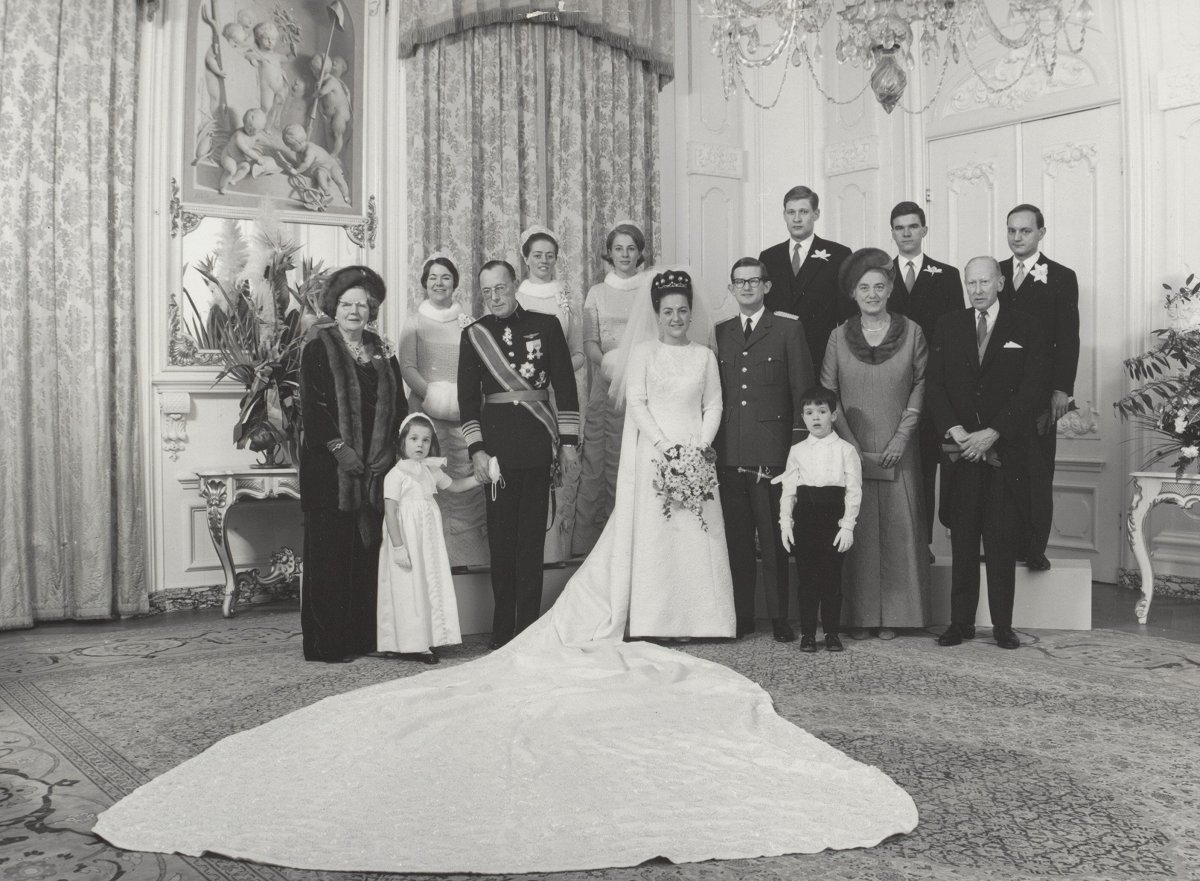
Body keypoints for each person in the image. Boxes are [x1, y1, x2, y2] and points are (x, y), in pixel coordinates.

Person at [927, 257, 1049, 650]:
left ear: (999, 281)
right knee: (962, 542)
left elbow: (1033, 389)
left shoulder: (1026, 326)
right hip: (961, 451)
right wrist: (958, 431)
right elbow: (935, 386)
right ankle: (959, 624)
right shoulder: (948, 324)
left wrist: (993, 433)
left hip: (1005, 452)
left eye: (984, 281)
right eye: (970, 282)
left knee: (1000, 542)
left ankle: (1002, 627)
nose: (977, 289)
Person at [458, 260, 580, 649]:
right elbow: (466, 399)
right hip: (495, 453)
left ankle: (527, 626)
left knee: (530, 542)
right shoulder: (474, 334)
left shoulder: (545, 326)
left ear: (514, 286)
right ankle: (501, 630)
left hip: (536, 446)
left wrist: (567, 443)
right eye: (487, 291)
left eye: (501, 288)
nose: (495, 297)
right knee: (501, 541)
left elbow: (565, 385)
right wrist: (476, 449)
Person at [821, 248, 931, 640]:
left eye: (879, 287)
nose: (872, 294)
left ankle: (898, 618)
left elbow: (922, 385)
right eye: (864, 288)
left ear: (889, 291)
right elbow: (828, 392)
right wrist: (850, 445)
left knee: (900, 532)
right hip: (853, 449)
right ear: (853, 293)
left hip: (898, 449)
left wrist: (902, 437)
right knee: (859, 531)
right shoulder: (838, 336)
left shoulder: (912, 331)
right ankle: (862, 616)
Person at [298, 265, 407, 663]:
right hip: (331, 473)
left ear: (371, 309)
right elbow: (313, 408)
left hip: (374, 475)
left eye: (362, 305)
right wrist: (340, 449)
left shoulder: (382, 351)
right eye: (347, 304)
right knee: (329, 560)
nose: (354, 312)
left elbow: (400, 408)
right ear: (334, 307)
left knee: (365, 561)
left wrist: (388, 452)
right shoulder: (317, 347)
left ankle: (364, 638)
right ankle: (328, 645)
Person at [623, 270, 737, 639]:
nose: (676, 318)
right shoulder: (643, 353)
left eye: (683, 311)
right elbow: (637, 403)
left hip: (695, 452)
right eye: (668, 311)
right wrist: (665, 447)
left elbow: (715, 405)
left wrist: (699, 449)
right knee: (659, 534)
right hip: (655, 451)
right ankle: (654, 620)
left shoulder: (704, 356)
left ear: (692, 313)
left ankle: (701, 620)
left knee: (695, 532)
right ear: (657, 314)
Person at [714, 257, 813, 641]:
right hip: (730, 455)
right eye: (739, 282)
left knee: (775, 542)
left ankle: (779, 619)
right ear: (731, 289)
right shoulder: (720, 333)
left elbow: (803, 395)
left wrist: (795, 456)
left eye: (754, 281)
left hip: (773, 458)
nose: (747, 288)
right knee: (738, 543)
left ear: (767, 287)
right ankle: (741, 617)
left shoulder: (788, 330)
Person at [999, 204, 1080, 571]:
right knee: (1001, 473)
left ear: (1041, 233)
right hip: (999, 395)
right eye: (1012, 231)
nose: (1017, 238)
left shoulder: (1062, 277)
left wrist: (1062, 389)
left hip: (1040, 395)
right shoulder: (995, 273)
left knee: (1035, 471)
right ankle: (1004, 546)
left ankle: (1034, 549)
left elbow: (1068, 338)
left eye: (1025, 231)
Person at [397, 254, 488, 566]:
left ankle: (467, 560)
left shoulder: (469, 323)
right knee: (429, 482)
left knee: (464, 478)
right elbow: (407, 367)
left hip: (464, 416)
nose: (439, 283)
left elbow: (478, 368)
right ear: (424, 284)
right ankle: (433, 561)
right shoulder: (414, 322)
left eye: (445, 277)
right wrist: (434, 396)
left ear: (455, 283)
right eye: (433, 277)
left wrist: (459, 402)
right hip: (426, 417)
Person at [884, 201, 964, 551]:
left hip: (932, 388)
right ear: (892, 232)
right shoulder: (879, 275)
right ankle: (896, 545)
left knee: (929, 469)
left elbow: (955, 336)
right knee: (896, 470)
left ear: (924, 230)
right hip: (891, 387)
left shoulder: (946, 275)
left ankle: (924, 546)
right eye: (899, 227)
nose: (906, 233)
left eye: (912, 227)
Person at [572, 220, 653, 555]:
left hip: (643, 385)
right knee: (599, 461)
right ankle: (595, 547)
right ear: (609, 253)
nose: (624, 254)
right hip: (605, 386)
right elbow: (590, 343)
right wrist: (609, 365)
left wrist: (635, 368)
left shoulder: (650, 287)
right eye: (618, 248)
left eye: (630, 248)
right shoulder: (596, 292)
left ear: (640, 254)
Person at [377, 414, 483, 664]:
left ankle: (427, 638)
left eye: (425, 440)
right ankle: (407, 642)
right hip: (405, 540)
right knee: (407, 588)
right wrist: (399, 547)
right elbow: (391, 512)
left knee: (427, 583)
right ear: (402, 441)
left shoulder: (430, 471)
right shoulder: (396, 475)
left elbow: (455, 487)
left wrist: (480, 478)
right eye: (414, 439)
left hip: (427, 541)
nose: (420, 445)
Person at [516, 225, 586, 559]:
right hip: (527, 401)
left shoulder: (567, 298)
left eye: (550, 256)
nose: (544, 261)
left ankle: (556, 553)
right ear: (525, 258)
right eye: (537, 255)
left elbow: (579, 353)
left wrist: (555, 373)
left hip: (560, 397)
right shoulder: (514, 298)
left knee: (561, 471)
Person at [774, 386, 862, 653]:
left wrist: (848, 525)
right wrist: (785, 522)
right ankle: (809, 634)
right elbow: (788, 490)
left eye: (822, 412)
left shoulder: (846, 450)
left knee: (832, 580)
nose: (816, 418)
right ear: (802, 417)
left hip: (833, 519)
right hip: (806, 519)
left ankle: (832, 633)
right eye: (809, 412)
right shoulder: (797, 450)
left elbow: (854, 490)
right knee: (808, 580)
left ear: (833, 415)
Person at [759, 185, 853, 375]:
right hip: (778, 355)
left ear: (816, 214)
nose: (796, 219)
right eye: (791, 212)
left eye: (803, 211)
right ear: (784, 215)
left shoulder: (839, 254)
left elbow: (846, 315)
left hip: (821, 355)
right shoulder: (769, 256)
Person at [280, 123, 350, 205]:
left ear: (299, 143)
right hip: (320, 168)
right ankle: (326, 192)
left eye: (291, 146)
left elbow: (306, 164)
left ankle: (346, 196)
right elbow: (303, 167)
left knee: (339, 180)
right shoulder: (298, 153)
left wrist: (296, 171)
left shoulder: (310, 150)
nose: (291, 149)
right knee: (320, 174)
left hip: (331, 165)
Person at [217, 108, 281, 194]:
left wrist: (272, 147)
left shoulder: (256, 134)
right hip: (229, 156)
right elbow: (247, 150)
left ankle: (233, 179)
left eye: (256, 130)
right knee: (231, 170)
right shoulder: (238, 136)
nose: (252, 132)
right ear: (245, 124)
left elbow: (264, 139)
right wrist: (258, 158)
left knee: (246, 167)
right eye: (250, 128)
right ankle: (222, 187)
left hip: (239, 160)